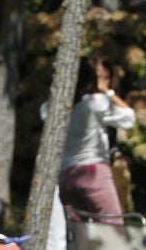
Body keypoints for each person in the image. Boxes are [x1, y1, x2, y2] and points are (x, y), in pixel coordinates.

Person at [50, 57, 135, 216]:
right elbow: (129, 117)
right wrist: (107, 91)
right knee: (112, 228)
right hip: (94, 172)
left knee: (80, 233)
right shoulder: (96, 102)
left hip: (66, 176)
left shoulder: (60, 106)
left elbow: (44, 112)